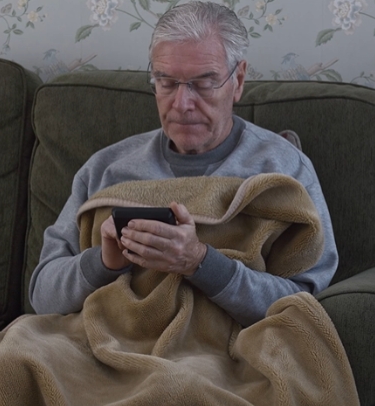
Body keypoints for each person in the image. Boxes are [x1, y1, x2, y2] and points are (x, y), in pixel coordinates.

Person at [29, 0, 338, 327]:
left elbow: (305, 304)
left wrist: (200, 262)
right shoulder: (106, 168)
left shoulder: (284, 168)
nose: (182, 103)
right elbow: (42, 297)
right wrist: (104, 262)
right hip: (106, 343)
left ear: (239, 80)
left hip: (220, 358)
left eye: (204, 83)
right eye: (167, 82)